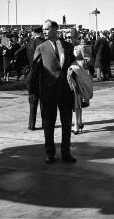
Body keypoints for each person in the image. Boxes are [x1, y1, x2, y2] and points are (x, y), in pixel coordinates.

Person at [29, 20, 77, 164]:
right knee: (48, 124)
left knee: (67, 123)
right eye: (43, 29)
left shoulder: (68, 46)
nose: (44, 31)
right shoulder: (41, 47)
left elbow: (74, 65)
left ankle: (66, 153)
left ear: (55, 29)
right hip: (48, 92)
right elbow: (35, 72)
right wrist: (32, 92)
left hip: (66, 91)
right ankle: (50, 153)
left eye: (46, 28)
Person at [26, 27, 45, 131]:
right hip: (43, 74)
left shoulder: (29, 44)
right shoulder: (45, 43)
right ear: (41, 33)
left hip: (32, 74)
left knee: (33, 100)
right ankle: (44, 123)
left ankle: (31, 124)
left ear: (34, 33)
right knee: (44, 100)